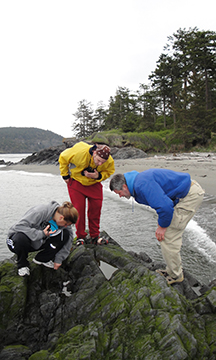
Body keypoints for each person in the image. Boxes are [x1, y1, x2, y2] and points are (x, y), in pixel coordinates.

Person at [109, 169, 205, 285]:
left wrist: (163, 227)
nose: (120, 196)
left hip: (189, 196)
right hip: (185, 192)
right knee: (166, 229)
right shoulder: (137, 182)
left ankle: (176, 275)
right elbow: (165, 198)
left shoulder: (142, 185)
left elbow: (164, 207)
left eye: (119, 193)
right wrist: (162, 223)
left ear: (124, 186)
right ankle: (172, 269)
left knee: (169, 235)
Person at [59, 141, 115, 245]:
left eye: (102, 162)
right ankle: (80, 236)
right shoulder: (79, 152)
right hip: (77, 182)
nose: (100, 164)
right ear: (94, 153)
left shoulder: (109, 161)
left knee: (96, 209)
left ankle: (95, 235)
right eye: (98, 160)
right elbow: (63, 157)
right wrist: (65, 175)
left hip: (94, 184)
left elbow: (109, 171)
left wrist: (98, 176)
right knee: (78, 210)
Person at [6, 201, 78, 276]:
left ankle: (42, 259)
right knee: (20, 237)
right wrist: (41, 234)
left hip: (37, 242)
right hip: (15, 241)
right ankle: (22, 265)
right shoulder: (40, 212)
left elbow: (69, 239)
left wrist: (59, 259)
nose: (66, 226)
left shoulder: (65, 217)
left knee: (65, 234)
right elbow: (19, 227)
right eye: (66, 224)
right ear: (61, 218)